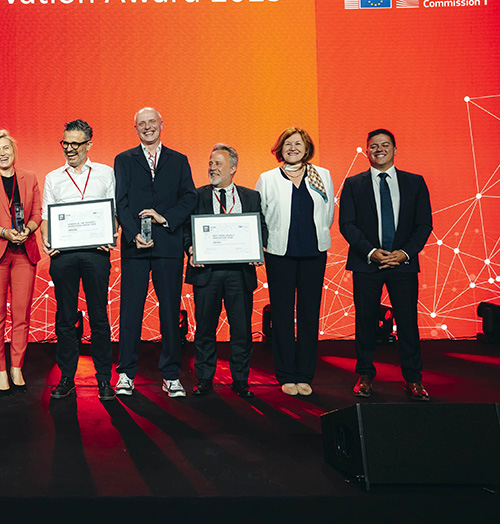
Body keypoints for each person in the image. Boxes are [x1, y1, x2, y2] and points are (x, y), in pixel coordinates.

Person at [339, 129, 433, 401]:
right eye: (373, 146)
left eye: (385, 145)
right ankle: (365, 375)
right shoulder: (354, 184)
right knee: (365, 321)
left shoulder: (415, 182)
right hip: (367, 263)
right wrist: (371, 252)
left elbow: (424, 224)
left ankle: (414, 379)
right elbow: (348, 224)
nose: (379, 149)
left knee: (408, 322)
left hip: (403, 264)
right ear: (366, 151)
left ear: (395, 149)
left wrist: (404, 253)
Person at [113, 107, 197, 398]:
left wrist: (165, 217)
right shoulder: (124, 160)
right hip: (134, 245)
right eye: (142, 124)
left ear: (162, 124)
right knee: (131, 311)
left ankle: (171, 374)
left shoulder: (179, 160)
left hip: (168, 245)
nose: (148, 127)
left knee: (170, 311)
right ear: (135, 128)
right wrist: (133, 232)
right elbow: (120, 202)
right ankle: (125, 372)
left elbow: (190, 197)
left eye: (152, 123)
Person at [41, 120, 117, 401]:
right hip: (64, 255)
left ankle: (104, 380)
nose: (70, 149)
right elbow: (47, 217)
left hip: (96, 253)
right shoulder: (53, 177)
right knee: (65, 319)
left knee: (99, 317)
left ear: (89, 145)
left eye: (75, 144)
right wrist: (48, 242)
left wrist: (110, 233)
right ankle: (66, 378)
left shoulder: (106, 173)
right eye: (65, 144)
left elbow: (115, 212)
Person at [255, 128, 334, 397]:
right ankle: (286, 374)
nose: (292, 148)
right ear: (280, 148)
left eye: (298, 143)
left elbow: (329, 216)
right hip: (280, 254)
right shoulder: (267, 179)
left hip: (314, 253)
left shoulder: (321, 175)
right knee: (283, 315)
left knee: (310, 315)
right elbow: (260, 217)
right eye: (287, 144)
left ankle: (305, 374)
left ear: (307, 147)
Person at [184, 144, 266, 398]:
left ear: (233, 168)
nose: (212, 167)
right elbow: (186, 230)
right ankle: (205, 379)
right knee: (205, 329)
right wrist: (190, 249)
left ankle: (240, 380)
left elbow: (260, 226)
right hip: (206, 273)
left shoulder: (251, 196)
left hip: (239, 274)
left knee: (241, 330)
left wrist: (258, 247)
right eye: (210, 163)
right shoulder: (195, 196)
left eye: (218, 163)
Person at [0, 130, 42, 395]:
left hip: (25, 251)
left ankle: (16, 366)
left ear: (13, 151)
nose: (2, 153)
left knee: (22, 313)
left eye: (6, 148)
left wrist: (30, 228)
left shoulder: (30, 178)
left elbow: (36, 212)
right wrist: (4, 232)